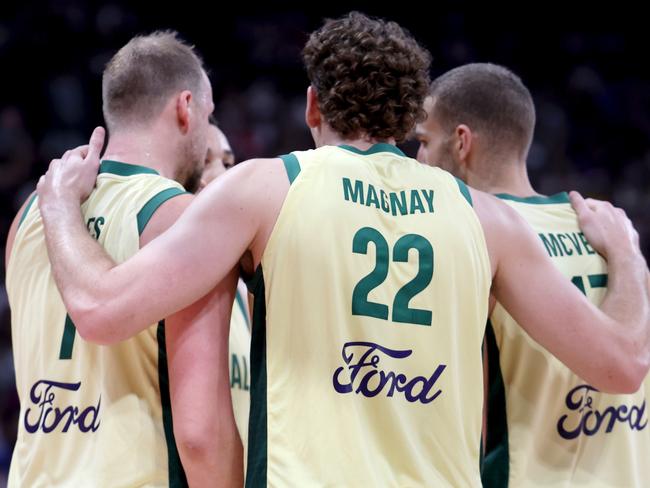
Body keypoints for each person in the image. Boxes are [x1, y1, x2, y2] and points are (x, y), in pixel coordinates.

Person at [36, 12, 649, 487]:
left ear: (312, 105)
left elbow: (100, 309)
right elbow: (622, 365)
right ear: (411, 120)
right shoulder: (488, 219)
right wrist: (626, 256)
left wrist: (61, 208)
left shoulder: (264, 188)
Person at [4, 31, 242, 487]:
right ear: (186, 107)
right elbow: (199, 434)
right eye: (209, 115)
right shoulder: (182, 220)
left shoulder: (30, 216)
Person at [415, 62, 650, 487]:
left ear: (462, 142)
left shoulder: (474, 239)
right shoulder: (612, 233)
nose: (419, 159)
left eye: (425, 142)